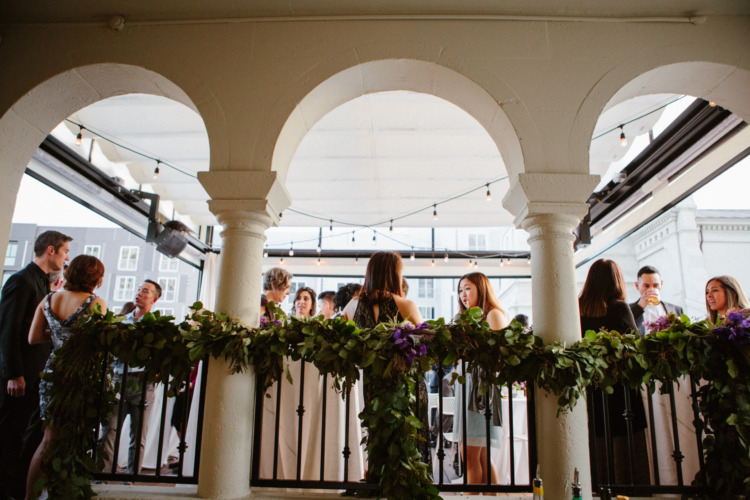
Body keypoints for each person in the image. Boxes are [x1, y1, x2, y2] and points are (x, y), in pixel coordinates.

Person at [25, 254, 106, 500]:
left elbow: (33, 338)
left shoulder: (49, 299)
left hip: (54, 373)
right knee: (76, 437)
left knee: (48, 439)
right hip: (81, 375)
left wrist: (58, 334)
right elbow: (99, 344)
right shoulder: (96, 303)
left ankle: (30, 496)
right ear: (95, 278)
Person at [0, 230, 71, 499]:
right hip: (19, 376)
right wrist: (14, 374)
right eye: (64, 252)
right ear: (50, 250)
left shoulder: (42, 283)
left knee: (23, 435)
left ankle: (15, 489)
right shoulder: (21, 281)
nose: (66, 258)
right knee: (8, 435)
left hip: (34, 374)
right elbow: (8, 330)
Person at [579, 259, 648, 486]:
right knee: (625, 444)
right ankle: (626, 488)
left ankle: (598, 486)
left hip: (592, 386)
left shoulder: (577, 307)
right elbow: (635, 345)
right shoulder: (618, 307)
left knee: (597, 439)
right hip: (620, 388)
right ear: (616, 280)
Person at [100, 280, 161, 476]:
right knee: (109, 430)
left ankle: (132, 477)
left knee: (138, 435)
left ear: (154, 298)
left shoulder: (157, 327)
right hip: (118, 380)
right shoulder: (121, 322)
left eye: (145, 291)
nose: (139, 293)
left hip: (143, 383)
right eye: (138, 290)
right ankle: (103, 475)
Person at [454, 272, 508, 487]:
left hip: (480, 389)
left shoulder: (492, 315)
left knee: (469, 456)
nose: (463, 295)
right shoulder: (469, 319)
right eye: (460, 290)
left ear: (481, 289)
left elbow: (501, 354)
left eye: (468, 288)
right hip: (468, 386)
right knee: (481, 457)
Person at [343, 251, 422, 326]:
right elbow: (426, 337)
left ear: (370, 274)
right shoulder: (407, 306)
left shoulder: (351, 306)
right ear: (395, 276)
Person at [629, 265, 683, 336]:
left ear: (661, 284)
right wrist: (640, 307)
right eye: (646, 286)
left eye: (656, 285)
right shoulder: (628, 310)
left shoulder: (676, 309)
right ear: (637, 286)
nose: (651, 289)